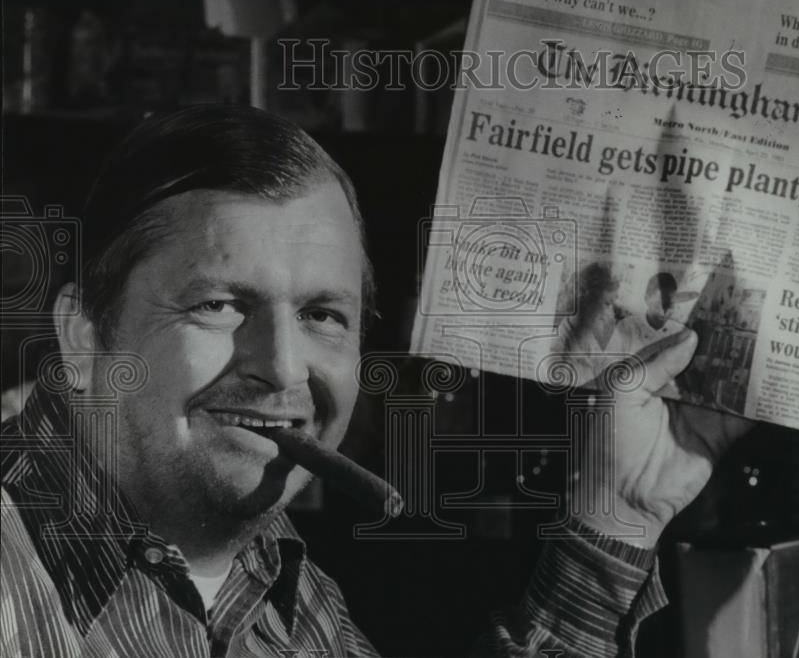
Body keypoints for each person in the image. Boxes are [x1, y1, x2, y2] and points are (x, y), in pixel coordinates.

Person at [0, 105, 749, 657]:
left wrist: (612, 513)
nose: (286, 367)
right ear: (84, 337)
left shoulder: (275, 577)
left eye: (324, 314)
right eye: (220, 305)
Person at [612, 273, 698, 400]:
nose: (663, 312)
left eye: (668, 305)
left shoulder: (678, 333)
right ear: (647, 298)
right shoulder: (627, 326)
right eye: (658, 305)